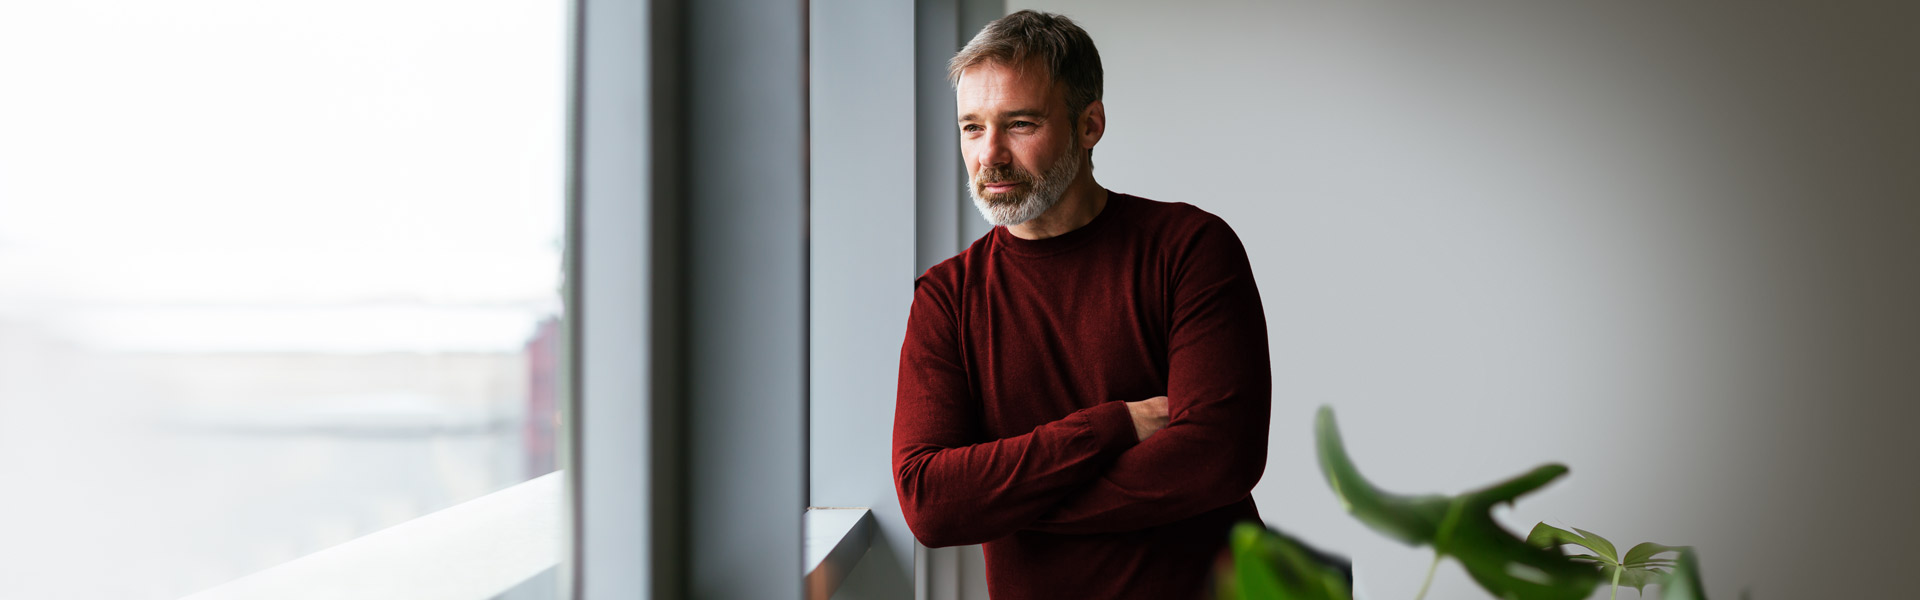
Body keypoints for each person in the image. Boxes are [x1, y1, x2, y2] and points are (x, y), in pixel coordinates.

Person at [891, 10, 1274, 600]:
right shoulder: (946, 298)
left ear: (1089, 124)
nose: (989, 155)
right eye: (972, 127)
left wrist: (1008, 503)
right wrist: (1110, 426)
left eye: (1019, 124)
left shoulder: (1190, 248)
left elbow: (1219, 457)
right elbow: (930, 502)